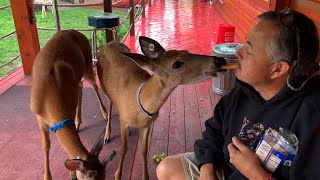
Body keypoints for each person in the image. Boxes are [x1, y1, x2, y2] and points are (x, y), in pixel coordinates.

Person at [156, 8, 320, 180]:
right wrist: (207, 168)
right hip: (227, 170)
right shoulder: (246, 88)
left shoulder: (311, 115)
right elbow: (215, 129)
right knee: (167, 169)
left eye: (248, 50)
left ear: (278, 69)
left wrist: (257, 175)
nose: (238, 53)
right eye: (244, 42)